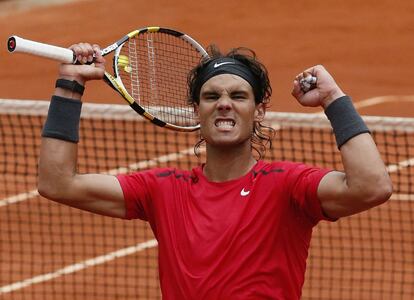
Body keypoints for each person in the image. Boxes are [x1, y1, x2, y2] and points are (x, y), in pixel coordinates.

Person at [37, 42, 392, 299]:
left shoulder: (288, 186)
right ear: (196, 110)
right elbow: (58, 183)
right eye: (211, 96)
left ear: (259, 111)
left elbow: (372, 186)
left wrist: (333, 99)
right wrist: (71, 84)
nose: (224, 103)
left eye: (238, 96)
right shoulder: (164, 190)